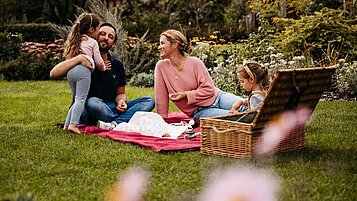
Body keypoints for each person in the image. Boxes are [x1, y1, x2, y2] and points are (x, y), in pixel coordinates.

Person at [50, 22, 155, 130]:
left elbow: (121, 93)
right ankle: (123, 120)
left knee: (148, 100)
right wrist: (79, 58)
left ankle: (114, 123)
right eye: (102, 34)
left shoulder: (117, 64)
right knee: (93, 102)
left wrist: (121, 101)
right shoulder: (84, 60)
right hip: (88, 109)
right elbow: (53, 73)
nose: (106, 38)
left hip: (110, 107)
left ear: (113, 43)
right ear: (95, 36)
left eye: (110, 37)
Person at [154, 29, 243, 120]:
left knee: (249, 106)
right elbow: (161, 98)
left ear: (174, 45)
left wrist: (186, 95)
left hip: (218, 98)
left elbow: (209, 90)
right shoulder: (161, 67)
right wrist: (162, 121)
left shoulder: (195, 63)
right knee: (237, 118)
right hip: (199, 111)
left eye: (162, 43)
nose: (159, 47)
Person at [62, 12, 109, 134]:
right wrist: (103, 67)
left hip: (71, 71)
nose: (99, 31)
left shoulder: (76, 40)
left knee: (75, 99)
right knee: (81, 99)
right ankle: (73, 125)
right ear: (91, 29)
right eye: (98, 28)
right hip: (83, 71)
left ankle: (66, 125)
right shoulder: (92, 42)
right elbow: (98, 61)